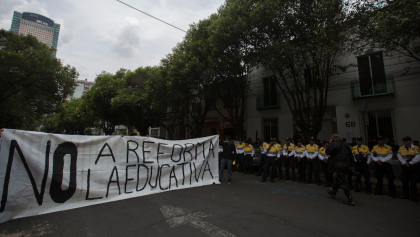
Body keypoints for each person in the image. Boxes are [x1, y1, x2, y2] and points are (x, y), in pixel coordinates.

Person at [326, 134, 355, 206]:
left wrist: (330, 143)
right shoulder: (345, 144)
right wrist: (351, 165)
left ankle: (350, 198)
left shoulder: (334, 144)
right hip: (346, 165)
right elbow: (351, 155)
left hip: (339, 164)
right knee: (336, 178)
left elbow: (327, 151)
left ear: (333, 139)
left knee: (342, 182)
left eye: (331, 139)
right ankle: (334, 191)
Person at [397, 136, 420, 202]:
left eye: (406, 141)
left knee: (413, 182)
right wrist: (404, 163)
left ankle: (414, 196)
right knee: (404, 181)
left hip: (413, 167)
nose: (405, 142)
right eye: (404, 141)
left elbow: (418, 157)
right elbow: (399, 156)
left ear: (410, 141)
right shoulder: (401, 148)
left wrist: (410, 163)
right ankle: (405, 194)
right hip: (405, 166)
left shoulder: (415, 148)